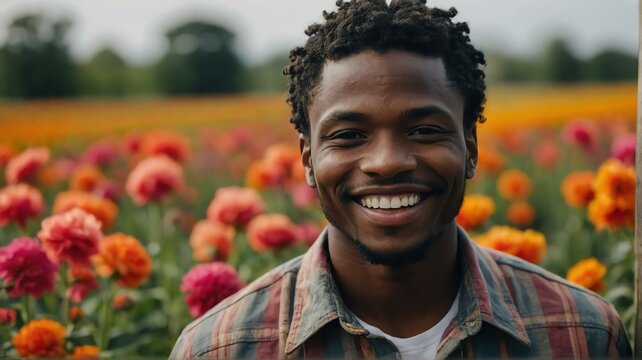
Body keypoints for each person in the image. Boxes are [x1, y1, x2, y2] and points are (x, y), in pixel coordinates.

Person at [170, 0, 632, 358]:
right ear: (308, 159)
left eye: (424, 130)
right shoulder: (221, 348)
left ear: (470, 148)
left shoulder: (582, 334)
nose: (387, 162)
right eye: (349, 135)